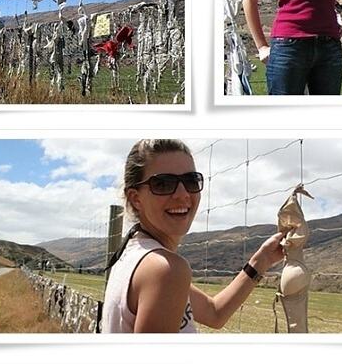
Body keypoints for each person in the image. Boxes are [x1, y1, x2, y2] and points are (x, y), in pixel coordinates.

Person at [102, 139, 285, 333]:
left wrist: (262, 260)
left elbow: (214, 313)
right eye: (163, 184)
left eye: (190, 181)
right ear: (135, 198)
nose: (182, 194)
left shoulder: (136, 255)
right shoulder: (163, 269)